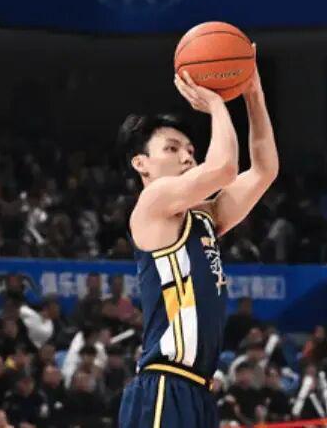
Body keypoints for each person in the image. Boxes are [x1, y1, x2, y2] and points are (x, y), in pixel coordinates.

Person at [118, 56, 279, 428]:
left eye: (190, 150)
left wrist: (254, 94)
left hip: (199, 390)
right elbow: (224, 168)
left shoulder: (206, 216)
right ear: (141, 163)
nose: (187, 156)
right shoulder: (152, 203)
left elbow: (264, 170)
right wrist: (217, 103)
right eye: (172, 149)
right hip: (163, 382)